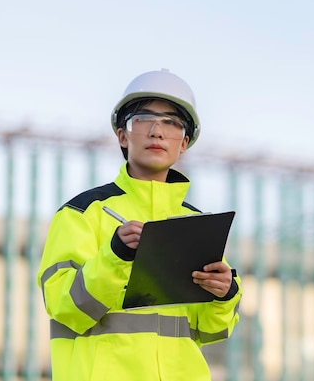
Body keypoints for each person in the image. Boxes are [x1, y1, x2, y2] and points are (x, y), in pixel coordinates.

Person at [37, 68, 242, 381]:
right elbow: (65, 308)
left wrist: (224, 294)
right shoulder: (82, 213)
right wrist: (114, 255)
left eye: (171, 123)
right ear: (123, 135)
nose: (157, 132)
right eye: (143, 119)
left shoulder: (197, 226)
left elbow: (211, 331)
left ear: (184, 142)